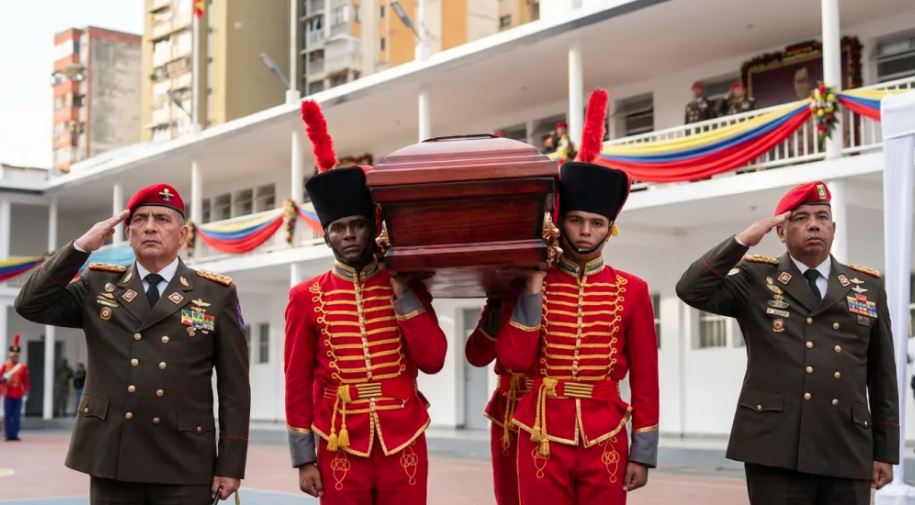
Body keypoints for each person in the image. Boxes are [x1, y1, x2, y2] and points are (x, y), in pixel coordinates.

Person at [15, 183, 250, 504]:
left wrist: (231, 463)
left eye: (162, 219)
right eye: (140, 219)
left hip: (185, 458)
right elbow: (30, 304)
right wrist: (80, 248)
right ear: (128, 233)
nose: (150, 226)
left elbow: (234, 387)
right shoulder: (99, 285)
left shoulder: (215, 293)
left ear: (182, 236)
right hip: (114, 455)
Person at [676, 181, 898, 505]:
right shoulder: (756, 278)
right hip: (776, 447)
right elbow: (691, 288)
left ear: (833, 229)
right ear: (781, 231)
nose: (813, 224)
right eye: (800, 217)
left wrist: (885, 450)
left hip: (846, 446)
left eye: (822, 217)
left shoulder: (866, 286)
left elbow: (883, 376)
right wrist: (742, 241)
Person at [497, 89, 660, 505]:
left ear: (610, 228)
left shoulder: (633, 290)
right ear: (561, 222)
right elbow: (514, 360)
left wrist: (642, 450)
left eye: (596, 222)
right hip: (540, 432)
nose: (586, 231)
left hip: (605, 435)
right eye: (575, 220)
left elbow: (645, 377)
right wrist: (533, 288)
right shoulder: (529, 280)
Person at [286, 100, 448, 505]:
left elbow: (433, 359)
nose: (348, 235)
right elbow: (296, 383)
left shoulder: (408, 282)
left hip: (404, 434)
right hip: (339, 438)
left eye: (357, 225)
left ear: (372, 226)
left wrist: (403, 293)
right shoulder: (305, 297)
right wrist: (303, 458)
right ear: (326, 236)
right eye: (337, 228)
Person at [464, 291, 531, 505]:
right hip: (506, 411)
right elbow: (476, 355)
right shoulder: (501, 297)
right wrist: (497, 310)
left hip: (545, 407)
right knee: (508, 492)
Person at [1, 335, 29, 441]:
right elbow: (0, 379)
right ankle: (8, 435)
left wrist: (25, 392)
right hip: (8, 393)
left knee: (17, 416)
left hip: (18, 393)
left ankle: (15, 434)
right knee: (8, 415)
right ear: (10, 355)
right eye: (13, 355)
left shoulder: (22, 367)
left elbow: (26, 381)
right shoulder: (5, 366)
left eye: (16, 356)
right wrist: (4, 379)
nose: (14, 357)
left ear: (18, 356)